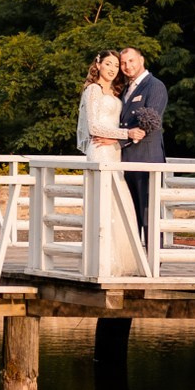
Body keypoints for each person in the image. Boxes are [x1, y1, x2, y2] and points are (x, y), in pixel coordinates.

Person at [74, 52, 144, 275]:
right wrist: (126, 133)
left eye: (116, 65)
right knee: (104, 203)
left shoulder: (115, 93)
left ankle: (121, 261)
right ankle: (102, 261)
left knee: (118, 202)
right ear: (98, 64)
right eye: (108, 64)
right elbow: (94, 127)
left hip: (114, 152)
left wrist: (119, 137)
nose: (113, 69)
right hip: (100, 152)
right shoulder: (92, 90)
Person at [117, 46, 169, 245]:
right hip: (125, 159)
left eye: (131, 61)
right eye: (123, 63)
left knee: (148, 211)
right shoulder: (125, 88)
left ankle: (155, 259)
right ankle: (136, 258)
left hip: (147, 157)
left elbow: (150, 121)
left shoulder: (154, 86)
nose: (127, 66)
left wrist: (117, 138)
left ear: (141, 60)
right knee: (131, 213)